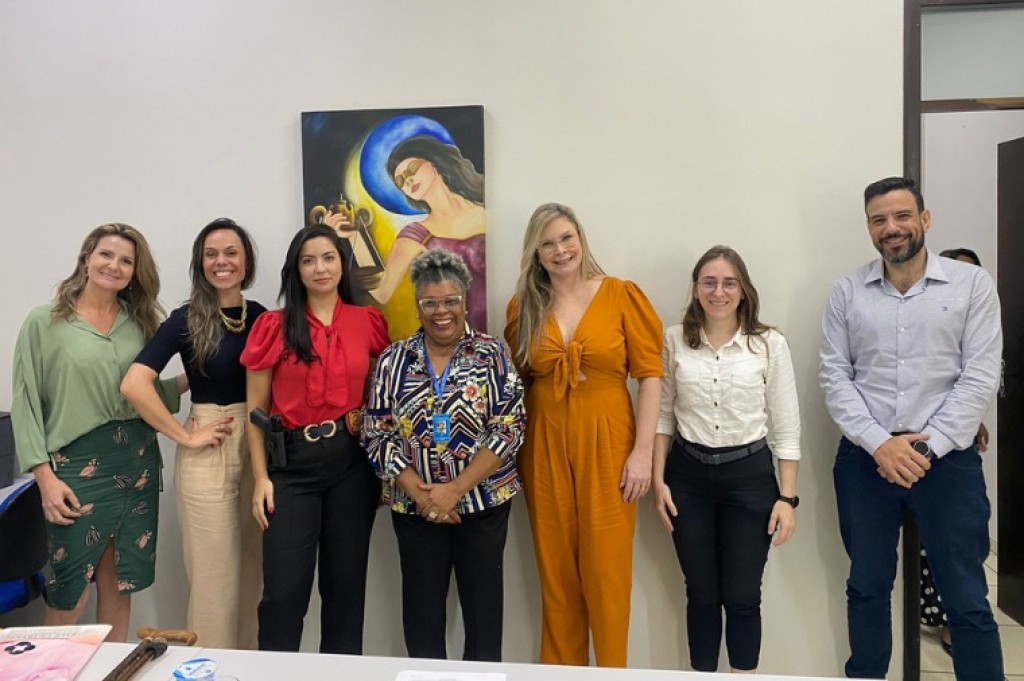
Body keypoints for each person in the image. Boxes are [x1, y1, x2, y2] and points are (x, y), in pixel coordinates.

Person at [820, 177, 1004, 680]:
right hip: (866, 460)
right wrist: (881, 444)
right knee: (866, 590)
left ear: (924, 219)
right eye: (879, 219)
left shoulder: (971, 285)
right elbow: (834, 376)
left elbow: (980, 375)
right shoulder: (847, 291)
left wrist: (927, 446)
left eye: (902, 216)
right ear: (869, 228)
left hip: (947, 461)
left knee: (966, 597)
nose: (892, 228)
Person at [504, 202, 662, 667]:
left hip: (610, 442)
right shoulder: (523, 307)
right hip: (545, 445)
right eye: (548, 243)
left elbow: (651, 376)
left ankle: (611, 673)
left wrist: (642, 454)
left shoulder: (621, 294)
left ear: (581, 238)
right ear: (535, 252)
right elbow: (517, 382)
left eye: (566, 238)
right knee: (556, 575)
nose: (560, 250)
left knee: (607, 574)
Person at [11, 223, 181, 642]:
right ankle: (53, 668)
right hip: (75, 468)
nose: (114, 266)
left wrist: (198, 378)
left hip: (136, 464)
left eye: (126, 261)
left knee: (119, 583)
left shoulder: (139, 323)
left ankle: (113, 668)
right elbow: (26, 402)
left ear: (135, 272)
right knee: (68, 593)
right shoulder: (45, 322)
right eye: (106, 255)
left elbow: (143, 393)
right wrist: (44, 478)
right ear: (87, 257)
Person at [363, 249, 524, 661]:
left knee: (484, 620)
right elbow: (377, 433)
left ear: (465, 301)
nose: (441, 312)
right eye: (430, 303)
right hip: (415, 509)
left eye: (451, 300)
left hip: (482, 506)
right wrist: (423, 494)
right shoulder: (394, 360)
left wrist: (454, 490)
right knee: (421, 620)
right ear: (418, 306)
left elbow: (509, 428)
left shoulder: (491, 354)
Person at [240, 224, 390, 654]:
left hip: (351, 465)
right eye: (308, 260)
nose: (320, 268)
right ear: (296, 270)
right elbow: (255, 412)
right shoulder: (273, 326)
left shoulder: (367, 322)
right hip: (291, 467)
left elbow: (382, 393)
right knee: (283, 595)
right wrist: (260, 478)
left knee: (345, 593)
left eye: (328, 258)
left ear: (342, 264)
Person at [652, 246, 800, 673]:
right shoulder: (674, 340)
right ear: (696, 288)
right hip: (687, 477)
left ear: (743, 289)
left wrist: (787, 499)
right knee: (700, 594)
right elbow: (663, 416)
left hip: (749, 479)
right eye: (710, 282)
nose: (719, 292)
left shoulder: (768, 344)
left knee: (742, 596)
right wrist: (659, 482)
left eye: (729, 283)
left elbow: (787, 427)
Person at [120, 218, 266, 649]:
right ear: (200, 263)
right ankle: (210, 670)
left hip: (257, 447)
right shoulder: (186, 319)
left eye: (231, 253)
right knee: (214, 580)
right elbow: (134, 384)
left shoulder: (261, 317)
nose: (222, 262)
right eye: (211, 254)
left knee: (252, 578)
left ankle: (248, 669)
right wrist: (184, 437)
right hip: (209, 448)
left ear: (246, 261)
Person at [328, 135, 487, 331]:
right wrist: (355, 237)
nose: (408, 180)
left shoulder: (487, 210)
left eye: (412, 169)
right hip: (451, 334)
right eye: (401, 180)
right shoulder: (417, 234)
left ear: (434, 162)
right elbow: (382, 291)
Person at [918, 247, 991, 657]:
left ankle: (953, 626)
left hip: (952, 449)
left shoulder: (980, 306)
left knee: (964, 557)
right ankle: (935, 614)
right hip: (908, 443)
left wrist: (962, 424)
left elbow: (977, 376)